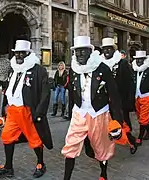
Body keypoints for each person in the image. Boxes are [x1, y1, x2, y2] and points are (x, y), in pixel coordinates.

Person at [62, 36, 124, 180]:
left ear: (90, 51)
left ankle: (103, 174)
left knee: (102, 147)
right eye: (77, 52)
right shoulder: (74, 70)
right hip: (79, 113)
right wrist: (71, 113)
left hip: (99, 114)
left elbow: (114, 96)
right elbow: (72, 93)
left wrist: (117, 121)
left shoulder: (102, 68)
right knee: (70, 146)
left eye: (83, 51)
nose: (80, 55)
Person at [0, 40, 53, 178]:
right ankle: (8, 167)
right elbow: (10, 87)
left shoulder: (38, 70)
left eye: (22, 53)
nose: (19, 55)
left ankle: (41, 164)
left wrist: (39, 112)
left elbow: (45, 92)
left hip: (27, 110)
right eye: (17, 53)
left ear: (28, 54)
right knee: (7, 137)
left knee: (35, 139)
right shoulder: (13, 69)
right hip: (13, 110)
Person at [101, 38, 137, 154]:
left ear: (113, 50)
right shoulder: (100, 65)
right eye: (104, 49)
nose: (106, 51)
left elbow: (130, 83)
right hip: (105, 101)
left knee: (122, 123)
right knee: (105, 125)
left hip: (120, 101)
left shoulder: (122, 63)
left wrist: (129, 101)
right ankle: (107, 146)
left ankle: (131, 143)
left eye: (109, 49)